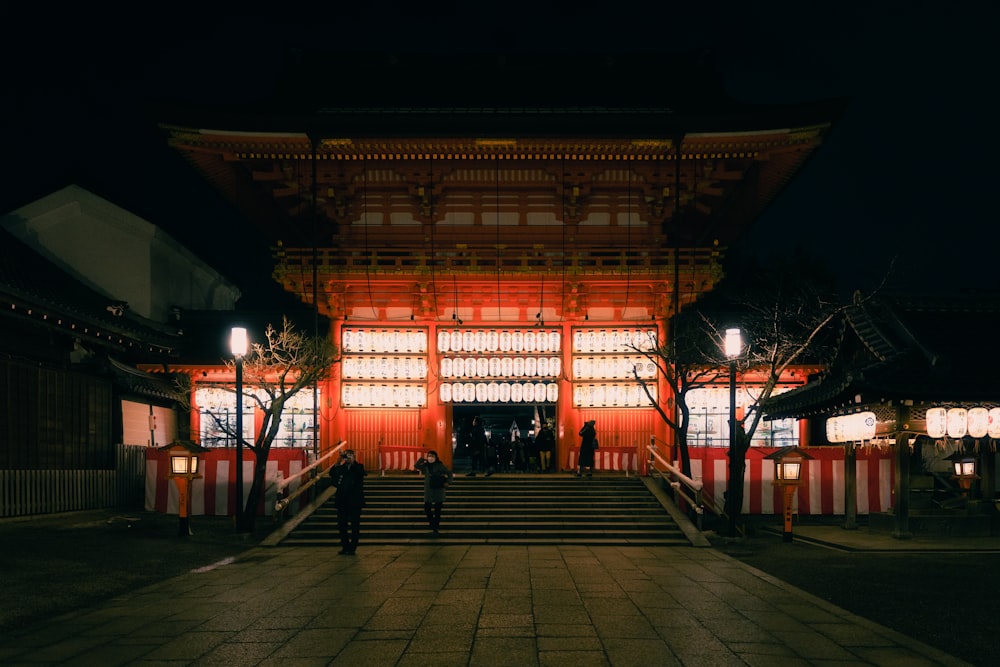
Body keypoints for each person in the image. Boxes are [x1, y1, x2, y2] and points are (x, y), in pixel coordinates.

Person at [329, 448, 366, 554]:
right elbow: (332, 474)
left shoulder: (359, 467)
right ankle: (345, 546)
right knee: (342, 525)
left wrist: (352, 463)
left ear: (354, 456)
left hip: (354, 501)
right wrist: (338, 462)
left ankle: (353, 547)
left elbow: (360, 474)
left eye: (350, 455)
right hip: (342, 500)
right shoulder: (341, 468)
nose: (348, 458)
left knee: (355, 525)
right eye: (346, 456)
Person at [414, 450, 453, 534]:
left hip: (438, 489)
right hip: (429, 490)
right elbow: (416, 465)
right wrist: (422, 459)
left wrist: (448, 482)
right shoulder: (425, 466)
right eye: (429, 456)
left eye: (432, 456)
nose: (430, 457)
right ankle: (432, 523)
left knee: (437, 509)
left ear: (435, 457)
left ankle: (436, 526)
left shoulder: (440, 466)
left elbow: (449, 473)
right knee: (427, 508)